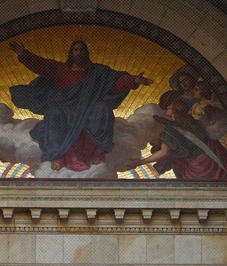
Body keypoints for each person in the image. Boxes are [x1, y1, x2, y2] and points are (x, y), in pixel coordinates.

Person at [8, 38, 154, 173]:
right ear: (71, 53)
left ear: (86, 53)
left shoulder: (98, 72)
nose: (79, 53)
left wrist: (134, 80)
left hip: (88, 106)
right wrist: (24, 54)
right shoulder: (61, 69)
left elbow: (115, 81)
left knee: (102, 109)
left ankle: (95, 153)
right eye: (76, 50)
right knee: (53, 113)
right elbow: (41, 65)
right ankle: (58, 155)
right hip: (64, 107)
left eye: (82, 50)